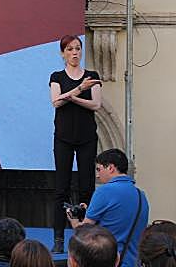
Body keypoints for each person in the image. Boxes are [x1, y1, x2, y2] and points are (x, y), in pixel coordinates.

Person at [49, 34, 102, 252]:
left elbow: (96, 104)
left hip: (86, 138)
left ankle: (86, 236)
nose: (74, 53)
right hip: (63, 138)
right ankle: (59, 239)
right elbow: (56, 102)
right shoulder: (56, 76)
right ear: (63, 53)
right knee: (61, 188)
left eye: (77, 48)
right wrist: (79, 89)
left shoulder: (92, 76)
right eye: (70, 49)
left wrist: (72, 97)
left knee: (86, 187)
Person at [67, 148, 149, 267]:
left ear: (111, 168)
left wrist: (74, 220)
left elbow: (84, 233)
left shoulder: (104, 191)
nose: (97, 175)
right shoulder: (141, 195)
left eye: (99, 169)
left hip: (108, 261)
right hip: (134, 262)